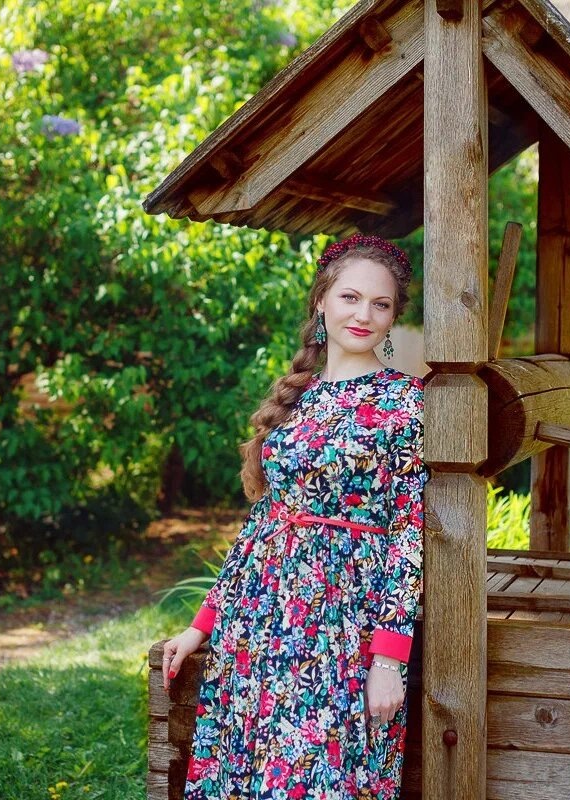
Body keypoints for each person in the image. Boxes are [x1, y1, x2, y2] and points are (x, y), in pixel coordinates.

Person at [163, 233, 429, 799]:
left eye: (380, 304)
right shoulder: (297, 396)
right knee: (247, 770)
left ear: (393, 317)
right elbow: (263, 523)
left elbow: (408, 534)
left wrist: (389, 659)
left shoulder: (407, 402)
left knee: (320, 776)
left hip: (340, 625)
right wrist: (200, 625)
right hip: (260, 622)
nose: (363, 315)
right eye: (350, 297)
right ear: (322, 301)